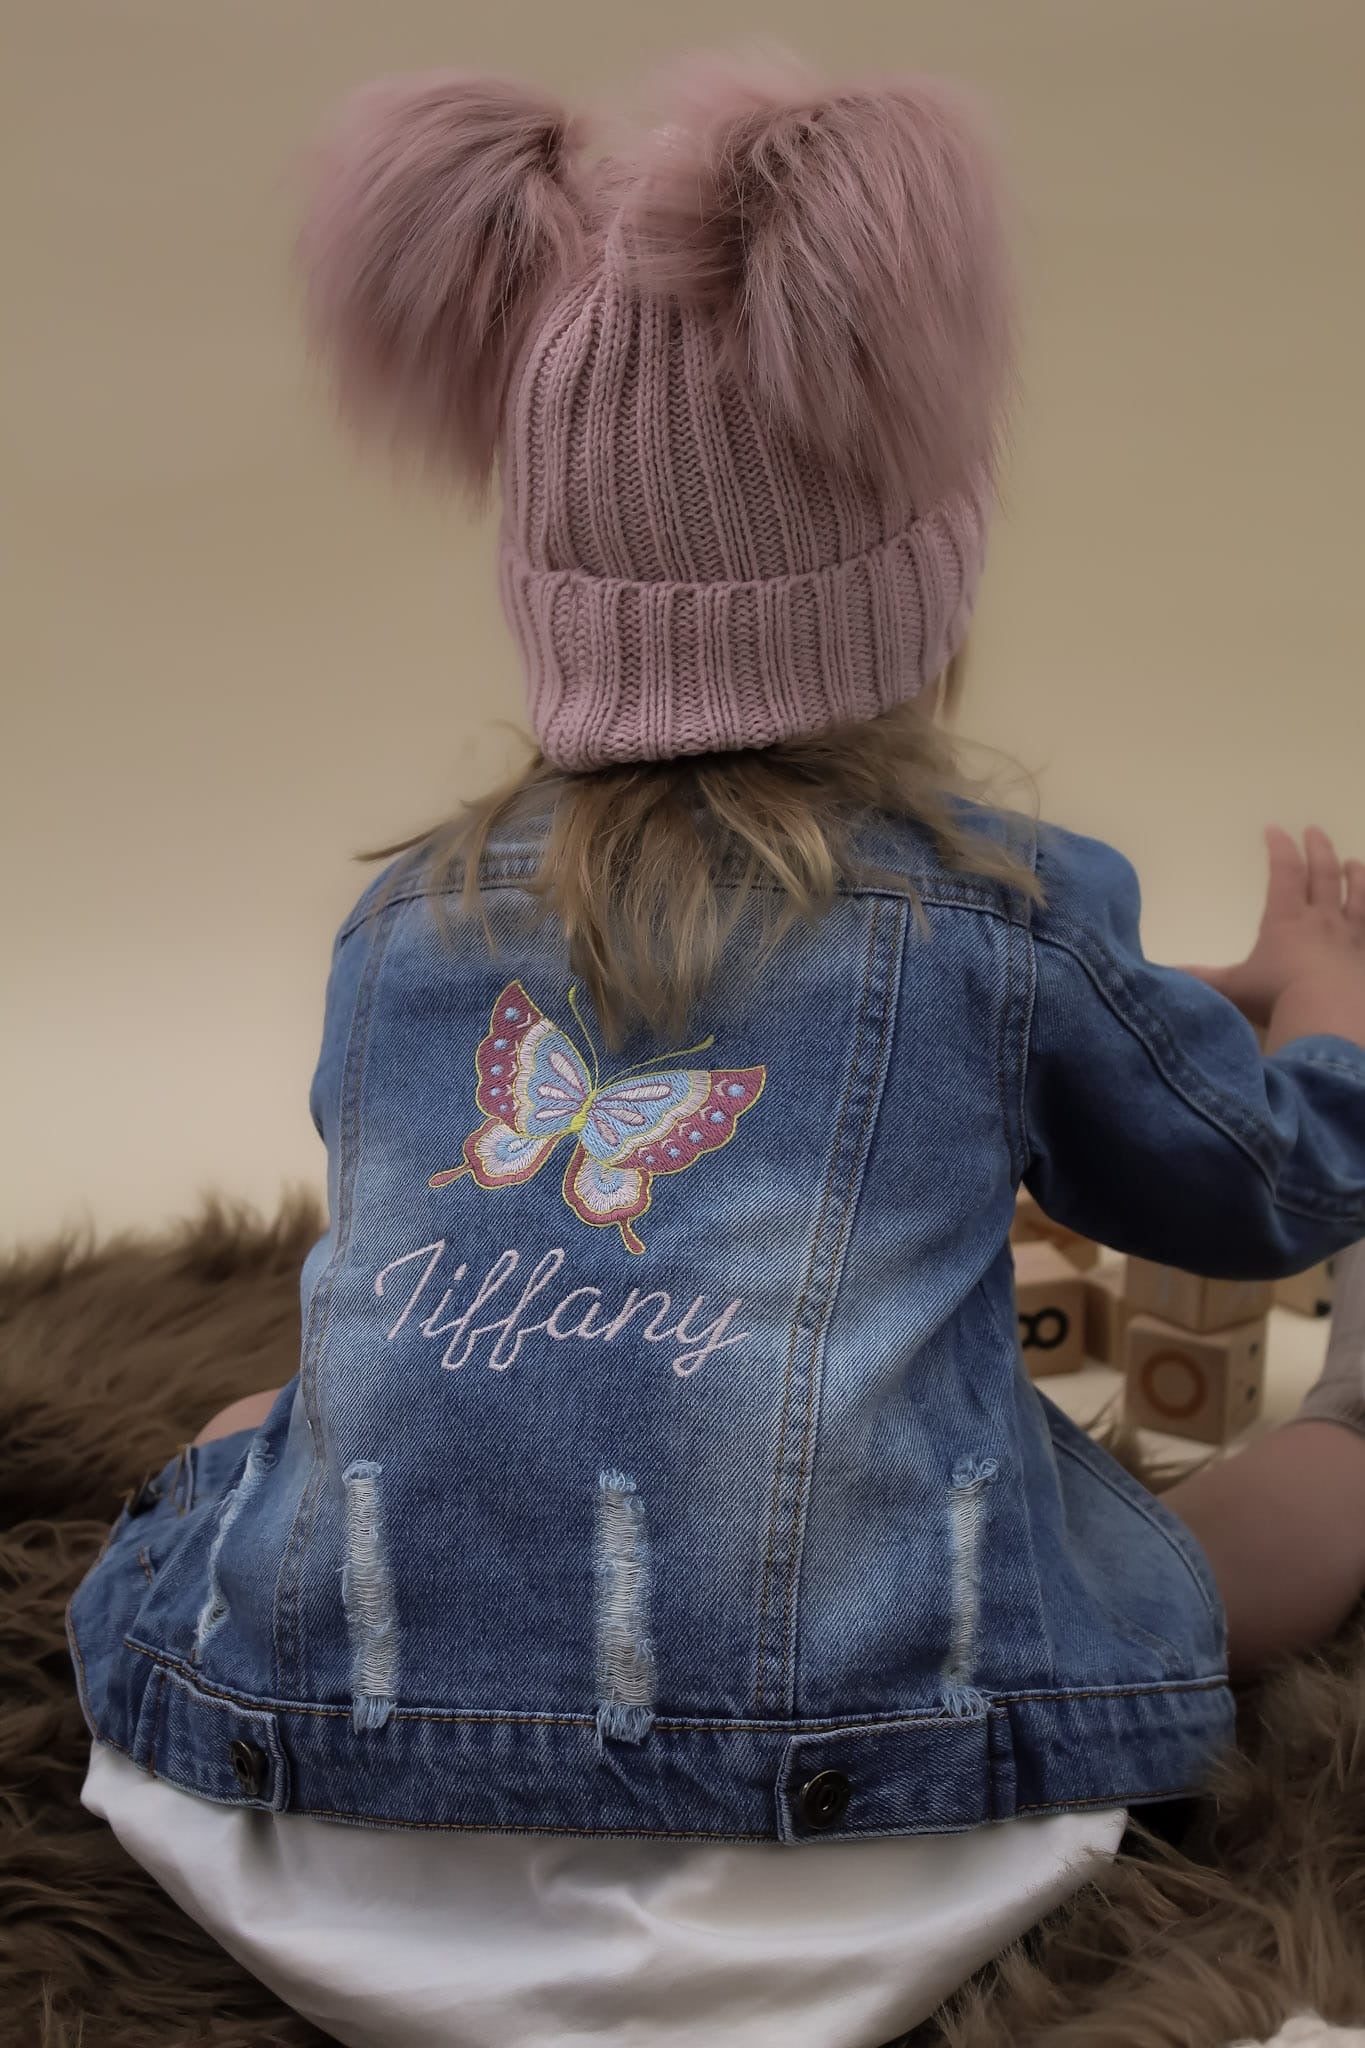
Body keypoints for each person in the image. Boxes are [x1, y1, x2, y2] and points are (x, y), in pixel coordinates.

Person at [70, 52, 1365, 2048]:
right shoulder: (992, 910)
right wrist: (1316, 990)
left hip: (322, 1815)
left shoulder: (403, 922)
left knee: (279, 1428)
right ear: (911, 602)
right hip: (871, 1836)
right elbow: (1259, 1182)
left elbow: (703, 1055)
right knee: (1204, 1529)